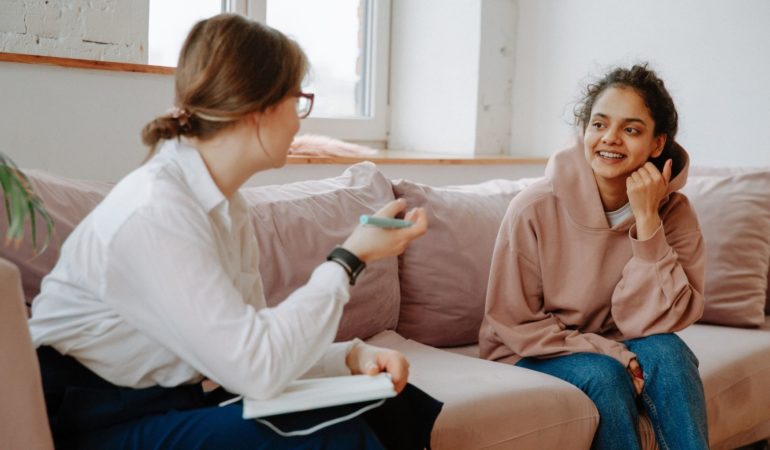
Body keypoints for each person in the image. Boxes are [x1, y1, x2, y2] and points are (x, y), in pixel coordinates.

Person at [28, 13, 441, 450]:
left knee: (393, 404)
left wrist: (352, 357)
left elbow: (256, 342)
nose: (300, 122)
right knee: (333, 438)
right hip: (92, 420)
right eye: (296, 100)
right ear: (257, 109)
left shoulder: (227, 206)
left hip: (172, 402)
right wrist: (348, 260)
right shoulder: (157, 211)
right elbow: (256, 368)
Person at [479, 64, 708, 449]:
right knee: (604, 375)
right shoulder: (533, 208)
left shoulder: (675, 213)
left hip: (617, 340)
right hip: (527, 350)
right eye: (599, 124)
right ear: (583, 129)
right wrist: (609, 350)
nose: (611, 139)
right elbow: (513, 322)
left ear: (656, 144)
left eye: (631, 129)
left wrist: (648, 222)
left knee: (669, 352)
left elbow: (666, 320)